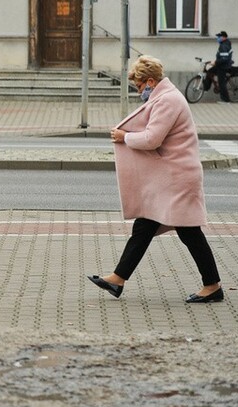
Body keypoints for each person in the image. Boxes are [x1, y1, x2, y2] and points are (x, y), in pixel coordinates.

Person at [88, 55, 223, 304]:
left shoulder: (168, 100)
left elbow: (152, 139)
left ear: (150, 81)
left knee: (189, 232)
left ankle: (213, 286)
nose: (139, 91)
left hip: (178, 177)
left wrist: (124, 137)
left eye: (139, 86)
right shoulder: (165, 97)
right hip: (173, 176)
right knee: (144, 227)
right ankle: (117, 279)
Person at [212, 30, 234, 103]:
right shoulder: (225, 43)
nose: (218, 38)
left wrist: (215, 62)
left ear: (224, 37)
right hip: (223, 65)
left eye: (219, 37)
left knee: (222, 83)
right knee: (211, 71)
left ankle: (226, 100)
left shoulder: (224, 46)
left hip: (223, 66)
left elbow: (224, 59)